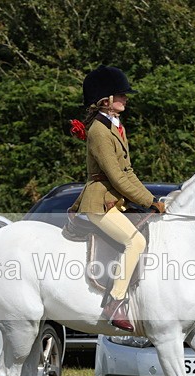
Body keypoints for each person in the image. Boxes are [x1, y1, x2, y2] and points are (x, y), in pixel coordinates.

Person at [69, 65, 165, 332]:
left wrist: (152, 198)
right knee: (136, 242)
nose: (126, 98)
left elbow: (129, 172)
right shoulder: (99, 132)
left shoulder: (116, 127)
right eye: (121, 95)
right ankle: (115, 302)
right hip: (98, 202)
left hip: (114, 201)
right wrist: (148, 201)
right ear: (106, 100)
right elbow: (117, 178)